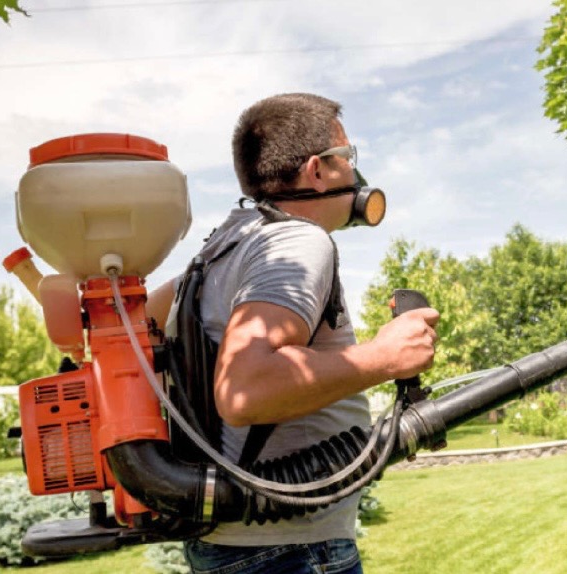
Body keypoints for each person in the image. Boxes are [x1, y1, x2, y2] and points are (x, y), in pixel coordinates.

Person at [147, 93, 439, 574]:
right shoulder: (297, 240)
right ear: (317, 170)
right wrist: (386, 356)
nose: (355, 171)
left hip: (234, 545)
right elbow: (245, 390)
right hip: (290, 551)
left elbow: (142, 320)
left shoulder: (224, 247)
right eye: (348, 156)